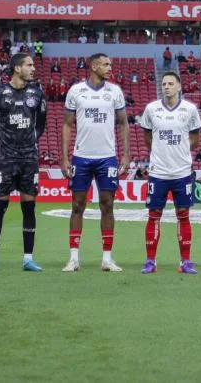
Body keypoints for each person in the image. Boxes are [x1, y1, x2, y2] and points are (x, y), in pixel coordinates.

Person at [60, 53, 131, 272]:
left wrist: (126, 155)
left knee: (107, 206)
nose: (110, 67)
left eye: (111, 63)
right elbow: (67, 125)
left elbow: (123, 124)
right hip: (81, 157)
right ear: (93, 66)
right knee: (77, 206)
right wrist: (64, 158)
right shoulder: (76, 91)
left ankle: (107, 258)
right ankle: (73, 258)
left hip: (107, 157)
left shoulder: (115, 92)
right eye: (106, 64)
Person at [0, 53, 47, 272]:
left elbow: (41, 124)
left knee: (29, 209)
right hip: (5, 159)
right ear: (17, 68)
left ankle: (28, 258)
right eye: (29, 65)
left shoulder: (37, 93)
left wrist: (31, 141)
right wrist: (3, 143)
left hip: (29, 158)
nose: (33, 69)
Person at [138, 73, 201, 274]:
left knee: (183, 216)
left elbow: (195, 137)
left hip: (182, 172)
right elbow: (147, 136)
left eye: (171, 84)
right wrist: (159, 152)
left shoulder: (190, 109)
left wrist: (181, 151)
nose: (166, 87)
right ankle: (150, 261)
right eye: (164, 84)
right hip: (158, 172)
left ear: (179, 87)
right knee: (154, 216)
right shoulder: (151, 109)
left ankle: (185, 261)